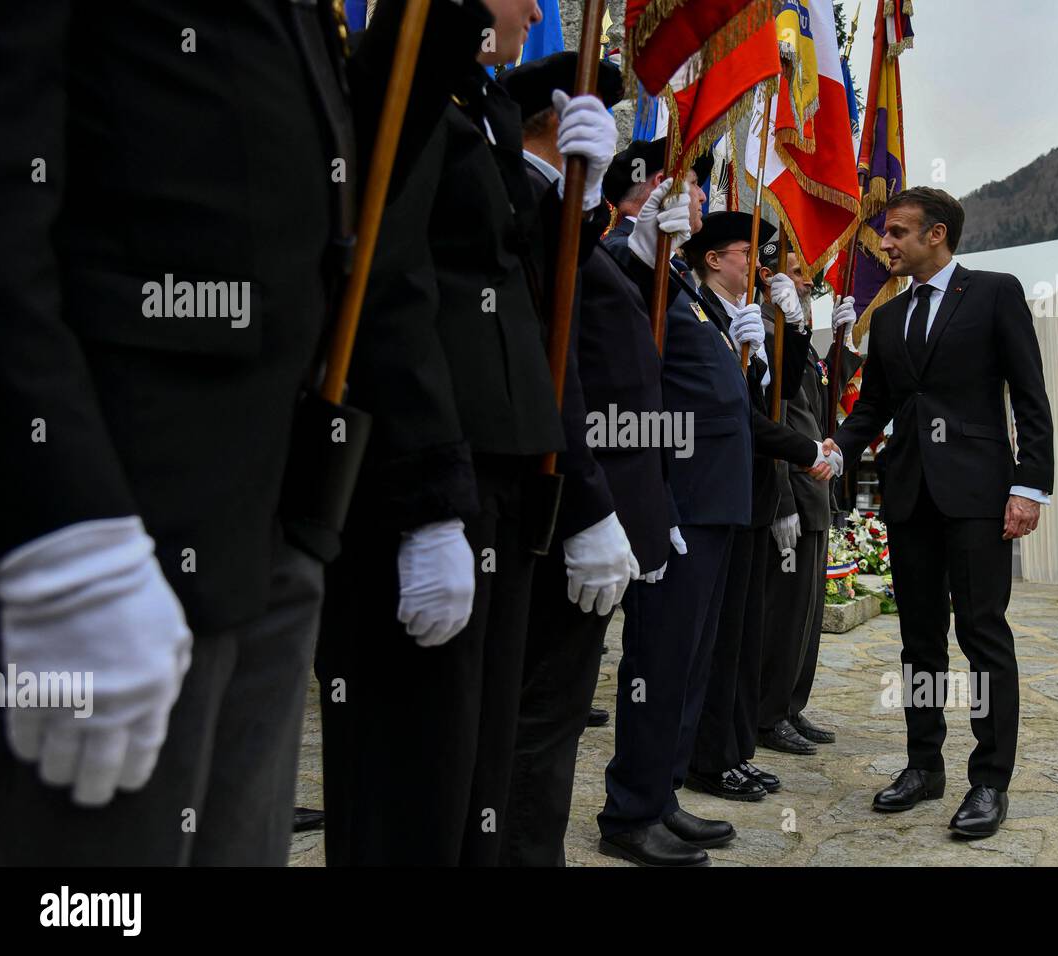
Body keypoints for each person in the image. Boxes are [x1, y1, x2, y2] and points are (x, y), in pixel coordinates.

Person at [0, 0, 487, 866]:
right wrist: (58, 516)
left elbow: (340, 187)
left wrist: (439, 20)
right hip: (117, 513)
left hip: (266, 507)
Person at [317, 0, 622, 866]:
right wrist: (427, 504)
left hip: (501, 461)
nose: (535, 8)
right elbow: (386, 277)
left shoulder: (474, 102)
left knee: (477, 770)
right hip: (431, 460)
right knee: (414, 778)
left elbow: (515, 275)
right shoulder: (406, 73)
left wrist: (582, 199)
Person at [825, 186, 1054, 838]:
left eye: (897, 232)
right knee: (919, 640)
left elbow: (1030, 396)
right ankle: (924, 765)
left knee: (983, 636)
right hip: (909, 495)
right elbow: (874, 407)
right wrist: (837, 448)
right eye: (884, 233)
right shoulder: (890, 319)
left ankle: (989, 780)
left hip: (980, 496)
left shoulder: (993, 293)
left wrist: (1030, 486)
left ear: (937, 235)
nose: (885, 243)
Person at [495, 52, 670, 867]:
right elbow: (550, 363)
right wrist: (591, 501)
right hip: (559, 500)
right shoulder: (523, 201)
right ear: (556, 120)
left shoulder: (564, 214)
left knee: (553, 711)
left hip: (592, 500)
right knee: (537, 715)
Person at [595, 160, 755, 866]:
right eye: (689, 185)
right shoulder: (637, 266)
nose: (698, 197)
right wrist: (634, 253)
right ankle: (630, 811)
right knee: (657, 663)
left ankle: (662, 794)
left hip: (716, 502)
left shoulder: (687, 285)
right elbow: (627, 364)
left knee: (689, 663)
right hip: (680, 501)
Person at [679, 215, 828, 801]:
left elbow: (780, 396)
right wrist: (809, 452)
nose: (758, 265)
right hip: (718, 494)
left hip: (750, 496)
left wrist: (789, 329)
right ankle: (711, 756)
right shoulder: (697, 314)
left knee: (741, 638)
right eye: (747, 253)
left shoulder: (735, 319)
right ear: (714, 259)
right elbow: (748, 419)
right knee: (719, 643)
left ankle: (734, 749)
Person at [759, 241, 858, 751]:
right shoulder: (768, 334)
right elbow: (773, 422)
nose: (806, 282)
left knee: (807, 616)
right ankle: (767, 711)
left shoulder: (799, 337)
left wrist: (848, 340)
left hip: (817, 496)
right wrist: (781, 502)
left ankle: (792, 704)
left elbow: (818, 398)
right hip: (792, 493)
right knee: (782, 615)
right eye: (797, 273)